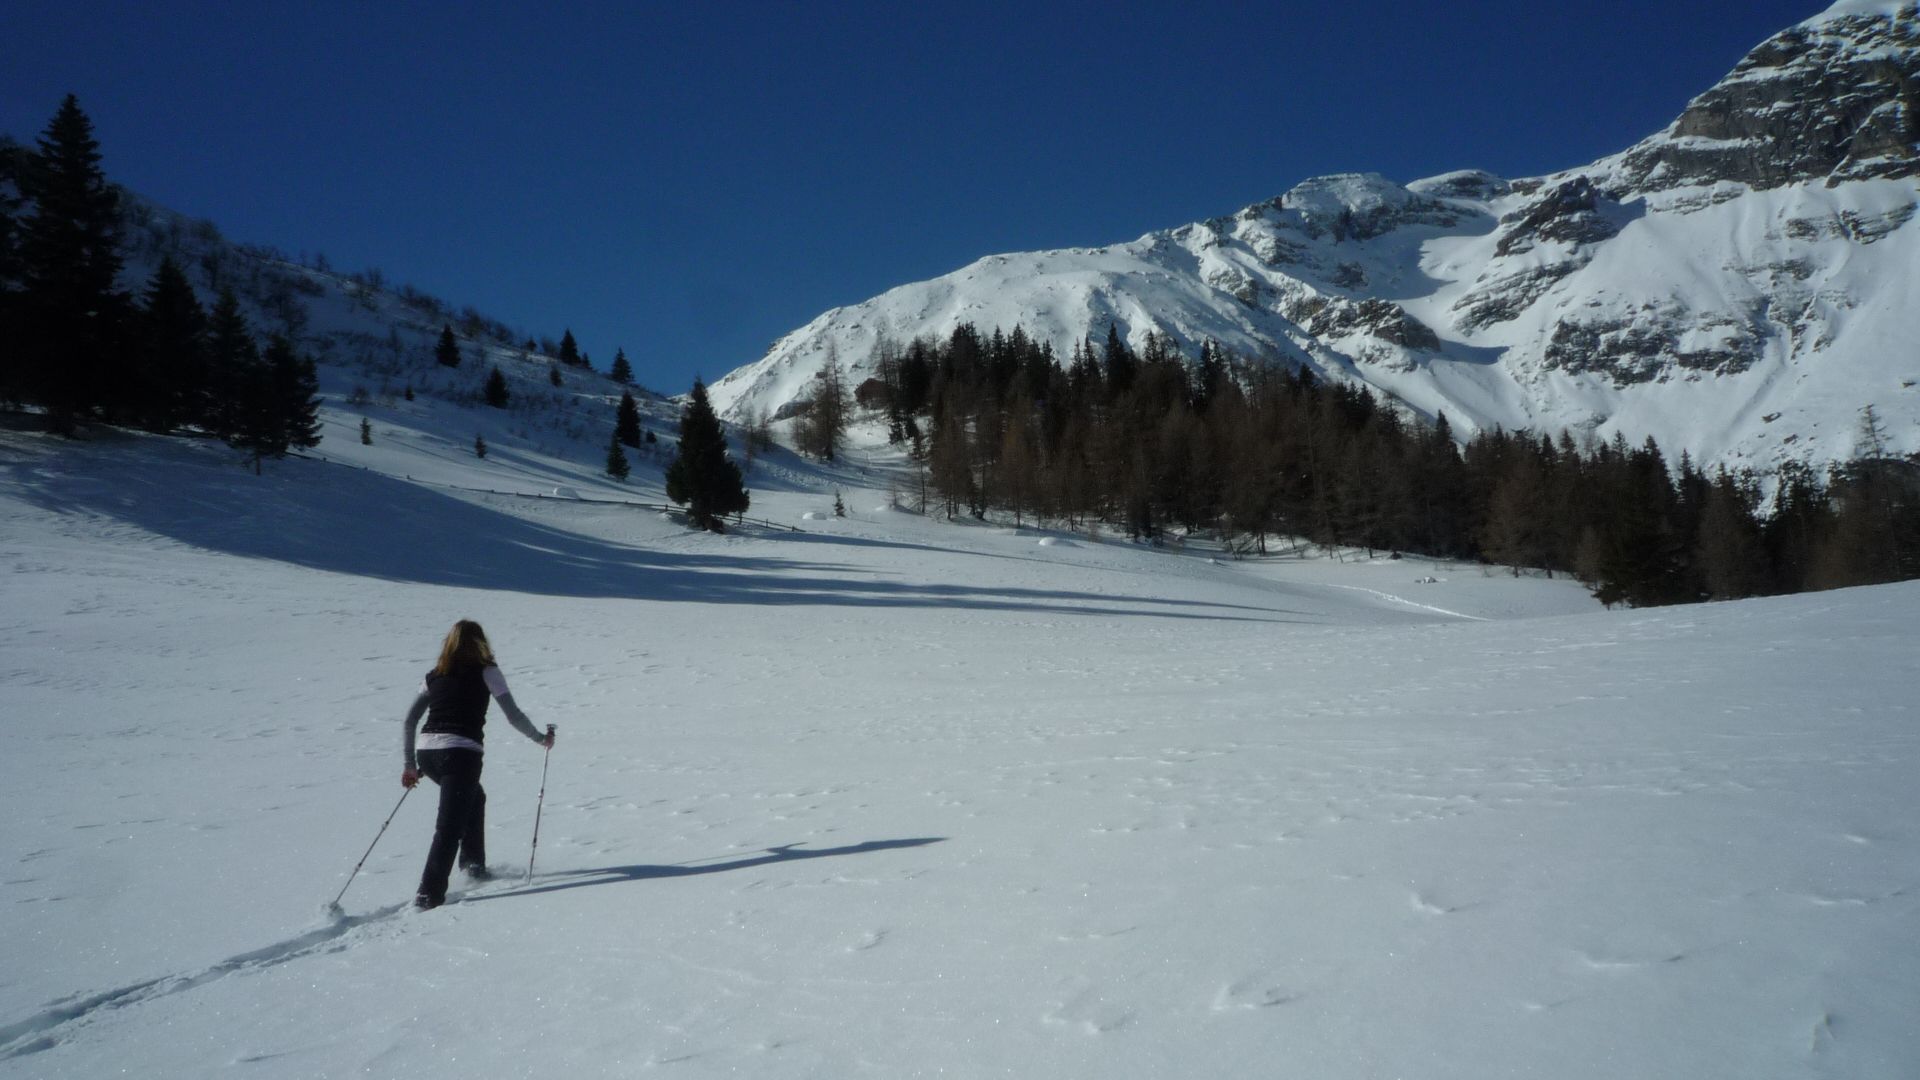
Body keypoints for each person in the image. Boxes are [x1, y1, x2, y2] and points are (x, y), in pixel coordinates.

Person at [401, 619, 554, 909]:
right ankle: (428, 894)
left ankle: (473, 866)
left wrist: (410, 764)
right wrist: (539, 738)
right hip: (461, 754)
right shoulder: (488, 672)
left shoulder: (434, 676)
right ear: (481, 643)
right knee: (449, 826)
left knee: (474, 798)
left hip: (428, 754)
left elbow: (410, 720)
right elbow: (513, 715)